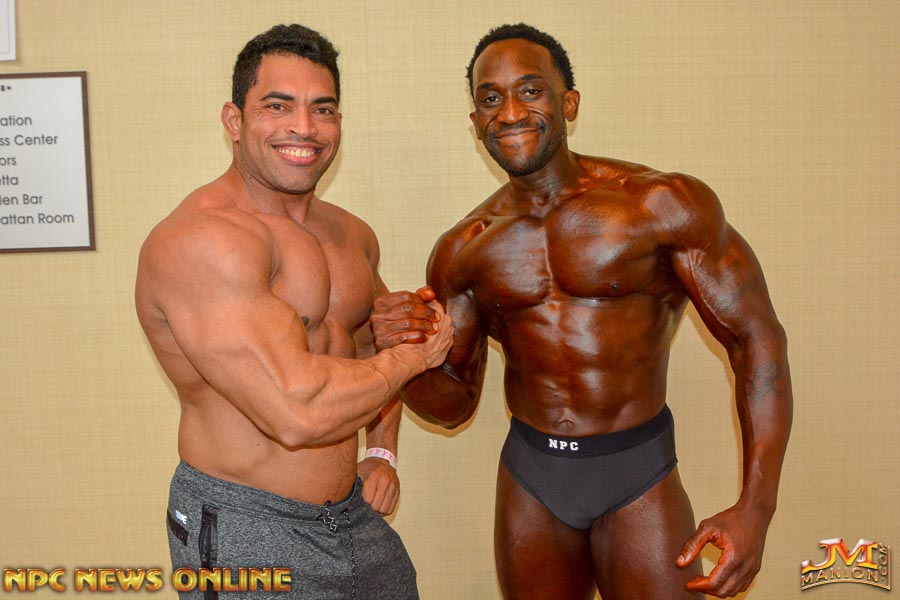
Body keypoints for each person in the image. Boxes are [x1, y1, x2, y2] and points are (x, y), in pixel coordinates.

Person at [371, 23, 792, 599]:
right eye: (490, 99)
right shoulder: (465, 249)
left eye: (530, 91)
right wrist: (406, 357)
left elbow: (756, 341)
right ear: (476, 122)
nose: (510, 112)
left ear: (568, 102)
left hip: (637, 470)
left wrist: (756, 508)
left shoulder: (660, 204)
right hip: (533, 477)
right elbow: (452, 406)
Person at [135, 24, 452, 599]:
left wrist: (381, 451)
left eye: (322, 109)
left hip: (350, 517)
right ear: (234, 120)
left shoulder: (353, 236)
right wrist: (412, 359)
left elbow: (373, 345)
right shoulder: (204, 241)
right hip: (244, 525)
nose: (304, 128)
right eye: (277, 106)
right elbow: (296, 412)